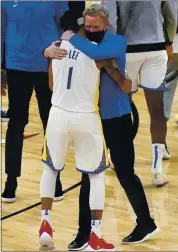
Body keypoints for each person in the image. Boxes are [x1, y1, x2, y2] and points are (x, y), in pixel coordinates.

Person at [45, 4, 159, 249]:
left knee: (125, 172)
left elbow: (96, 55)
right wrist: (48, 52)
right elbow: (58, 58)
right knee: (89, 175)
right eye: (87, 26)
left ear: (106, 25)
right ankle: (84, 233)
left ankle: (146, 223)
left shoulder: (116, 42)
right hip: (90, 119)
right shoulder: (80, 45)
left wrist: (72, 37)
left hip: (115, 118)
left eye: (96, 27)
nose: (91, 30)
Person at [1, 1, 69, 203]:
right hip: (16, 66)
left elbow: (64, 28)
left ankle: (54, 179)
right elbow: (1, 32)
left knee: (51, 123)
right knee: (16, 123)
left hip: (48, 66)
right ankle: (10, 181)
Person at [110, 0, 177, 186]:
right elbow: (171, 16)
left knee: (124, 108)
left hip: (127, 49)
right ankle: (157, 169)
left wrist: (111, 49)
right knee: (156, 113)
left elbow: (112, 21)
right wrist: (169, 41)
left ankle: (119, 159)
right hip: (156, 48)